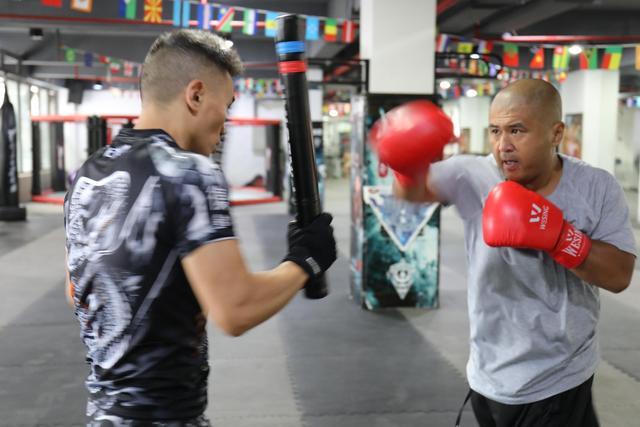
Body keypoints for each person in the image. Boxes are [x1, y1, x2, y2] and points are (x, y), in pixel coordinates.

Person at [64, 29, 336, 426]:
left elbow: (77, 292)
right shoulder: (190, 173)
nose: (225, 126)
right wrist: (305, 260)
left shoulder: (87, 175)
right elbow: (235, 310)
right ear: (195, 95)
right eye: (225, 107)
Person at [376, 79, 636, 426]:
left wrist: (560, 238)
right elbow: (412, 193)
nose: (503, 145)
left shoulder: (596, 186)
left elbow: (619, 276)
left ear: (556, 133)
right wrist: (406, 166)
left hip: (561, 374)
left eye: (517, 130)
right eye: (495, 131)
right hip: (487, 372)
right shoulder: (471, 174)